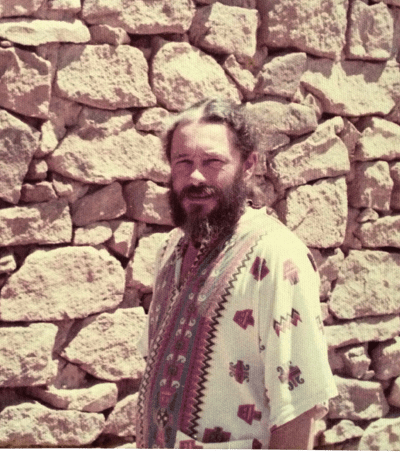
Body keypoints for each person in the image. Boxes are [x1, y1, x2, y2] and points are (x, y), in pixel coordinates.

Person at [136, 99, 338, 450]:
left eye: (212, 162)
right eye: (183, 163)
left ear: (248, 164)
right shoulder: (171, 250)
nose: (195, 176)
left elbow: (298, 410)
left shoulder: (277, 256)